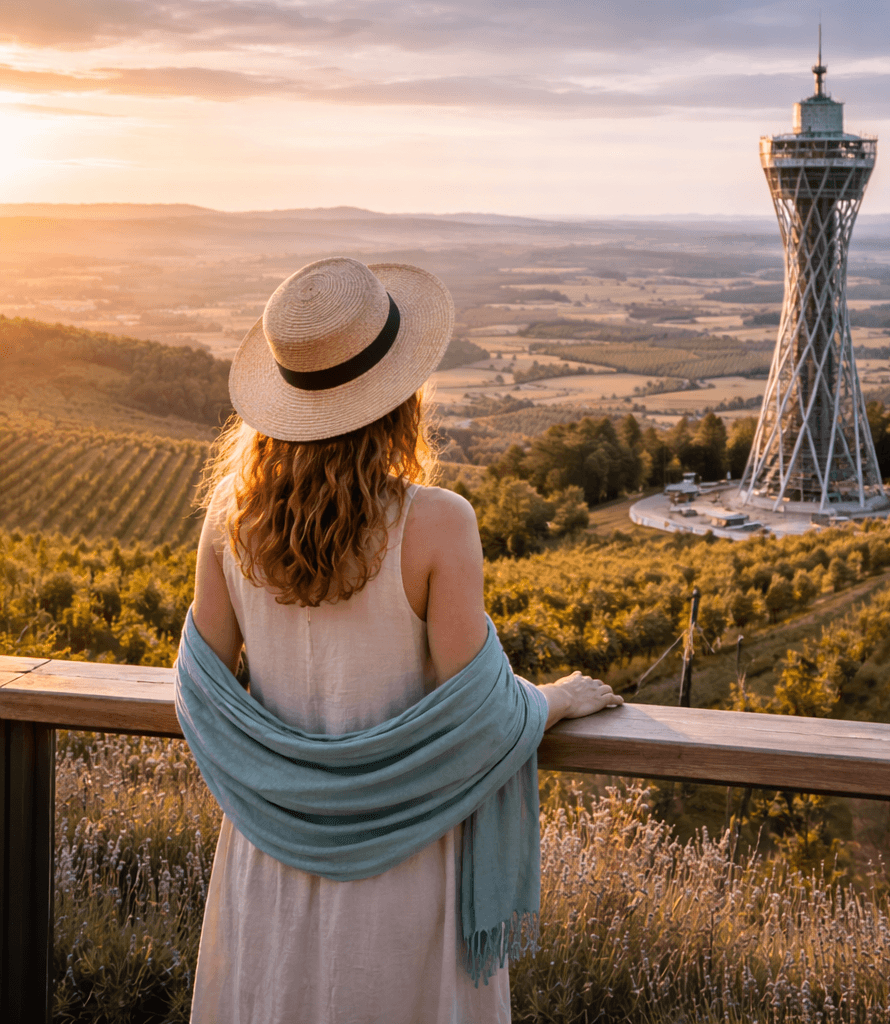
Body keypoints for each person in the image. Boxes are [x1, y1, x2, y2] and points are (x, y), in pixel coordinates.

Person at [179, 256, 624, 1024]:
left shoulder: (229, 522)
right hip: (405, 859)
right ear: (399, 398)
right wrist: (555, 701)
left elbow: (201, 696)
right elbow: (481, 715)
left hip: (268, 856)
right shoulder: (437, 523)